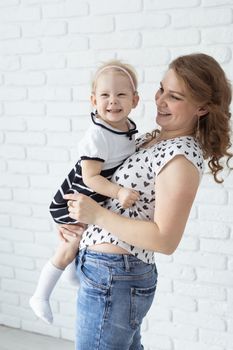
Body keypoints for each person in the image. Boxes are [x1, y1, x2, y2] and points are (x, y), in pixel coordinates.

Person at [62, 53, 232, 350]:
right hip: (109, 272)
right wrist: (79, 223)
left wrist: (96, 216)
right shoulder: (152, 139)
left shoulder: (180, 156)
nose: (161, 100)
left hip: (115, 274)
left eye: (175, 96)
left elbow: (165, 240)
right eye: (161, 89)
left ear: (202, 108)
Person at [29, 59, 140, 324]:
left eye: (121, 94)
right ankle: (40, 295)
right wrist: (119, 192)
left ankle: (70, 274)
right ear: (93, 100)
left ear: (135, 100)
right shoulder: (97, 135)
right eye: (104, 95)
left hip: (91, 199)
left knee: (79, 241)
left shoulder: (126, 127)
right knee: (70, 245)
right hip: (74, 198)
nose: (112, 101)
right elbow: (91, 178)